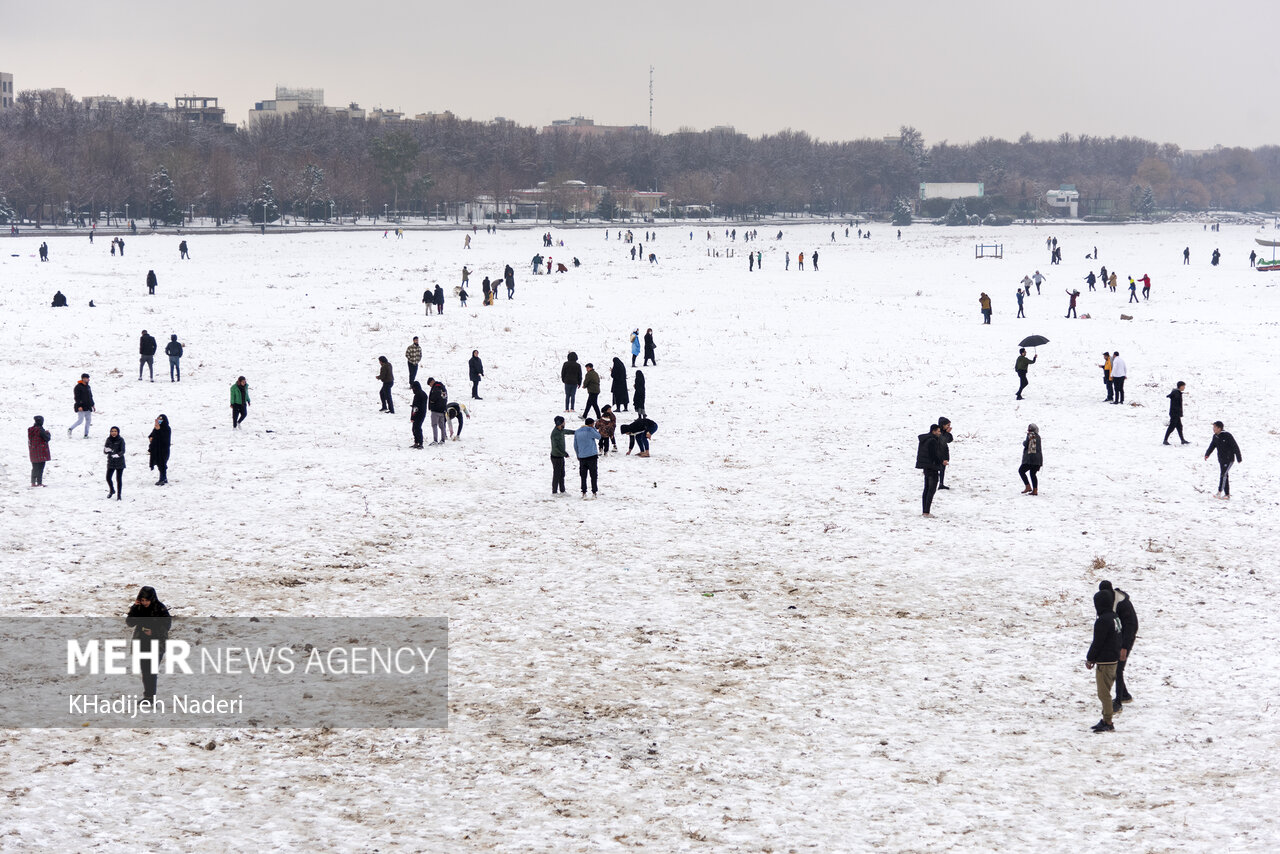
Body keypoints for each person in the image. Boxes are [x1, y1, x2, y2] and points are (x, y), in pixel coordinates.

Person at [1085, 587, 1122, 732]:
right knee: (1106, 691)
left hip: (1105, 662)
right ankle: (1106, 720)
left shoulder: (1102, 621)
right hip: (1114, 660)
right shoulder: (1115, 617)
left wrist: (1090, 658)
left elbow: (1097, 642)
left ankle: (1108, 721)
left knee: (1103, 693)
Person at [125, 586, 171, 701]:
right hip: (142, 643)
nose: (144, 603)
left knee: (151, 671)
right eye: (142, 600)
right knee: (145, 671)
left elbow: (166, 626)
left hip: (157, 644)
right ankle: (148, 696)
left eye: (146, 600)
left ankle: (151, 697)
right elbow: (130, 622)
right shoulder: (139, 608)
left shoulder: (160, 609)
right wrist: (135, 607)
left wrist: (153, 632)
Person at [1099, 581, 1138, 711]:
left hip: (1127, 635)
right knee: (1117, 666)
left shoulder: (1122, 603)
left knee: (1118, 667)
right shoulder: (1109, 599)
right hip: (1119, 635)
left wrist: (1124, 647)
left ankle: (1119, 701)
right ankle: (1125, 695)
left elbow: (1130, 627)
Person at [1204, 421, 1242, 499]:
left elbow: (1235, 446)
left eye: (1215, 427)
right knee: (1225, 475)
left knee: (1223, 475)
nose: (1213, 429)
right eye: (1213, 427)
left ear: (1219, 428)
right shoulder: (1215, 436)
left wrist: (1239, 457)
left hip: (1229, 459)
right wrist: (1207, 454)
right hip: (1221, 459)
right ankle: (1227, 494)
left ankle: (1219, 492)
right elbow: (1212, 446)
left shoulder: (1227, 435)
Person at [915, 423, 946, 517]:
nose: (940, 433)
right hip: (932, 468)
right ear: (934, 431)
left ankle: (924, 511)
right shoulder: (932, 441)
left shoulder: (924, 440)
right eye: (939, 431)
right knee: (931, 490)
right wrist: (941, 462)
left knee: (926, 489)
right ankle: (926, 512)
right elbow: (934, 455)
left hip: (926, 467)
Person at [574, 418, 602, 498]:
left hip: (582, 456)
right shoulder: (590, 430)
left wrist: (578, 454)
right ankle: (594, 491)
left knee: (583, 475)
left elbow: (575, 445)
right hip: (592, 455)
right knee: (593, 475)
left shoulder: (577, 431)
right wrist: (594, 429)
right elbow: (599, 437)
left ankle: (583, 491)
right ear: (591, 424)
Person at [549, 416, 576, 494]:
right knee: (557, 474)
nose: (565, 423)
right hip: (556, 457)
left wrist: (576, 432)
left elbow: (566, 431)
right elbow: (556, 447)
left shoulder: (561, 430)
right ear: (560, 423)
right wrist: (564, 454)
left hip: (560, 456)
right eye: (563, 422)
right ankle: (554, 491)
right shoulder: (555, 433)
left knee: (562, 474)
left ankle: (562, 490)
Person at [1018, 423, 1043, 495]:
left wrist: (1023, 442)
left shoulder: (1030, 435)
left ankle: (1028, 486)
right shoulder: (1038, 437)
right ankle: (1035, 490)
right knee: (1033, 474)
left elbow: (1026, 444)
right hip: (1038, 459)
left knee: (1021, 471)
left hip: (1030, 459)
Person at [69, 374, 95, 438]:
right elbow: (76, 397)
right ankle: (70, 429)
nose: (88, 379)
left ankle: (86, 435)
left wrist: (93, 405)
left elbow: (90, 396)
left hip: (88, 406)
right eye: (87, 378)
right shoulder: (78, 387)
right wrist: (79, 406)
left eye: (88, 378)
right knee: (80, 420)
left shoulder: (88, 387)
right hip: (81, 407)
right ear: (83, 379)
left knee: (88, 421)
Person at [28, 416, 51, 487]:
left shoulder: (30, 429)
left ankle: (33, 482)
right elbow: (47, 438)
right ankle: (39, 482)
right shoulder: (41, 430)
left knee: (34, 467)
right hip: (41, 451)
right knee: (41, 467)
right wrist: (48, 433)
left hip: (33, 451)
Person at [148, 414, 171, 485]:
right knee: (159, 464)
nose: (159, 421)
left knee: (162, 464)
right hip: (156, 449)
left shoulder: (167, 428)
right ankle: (164, 478)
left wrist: (159, 430)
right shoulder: (156, 428)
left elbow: (164, 438)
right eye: (158, 419)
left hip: (163, 450)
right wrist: (151, 438)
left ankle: (162, 479)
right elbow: (151, 435)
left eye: (161, 419)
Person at [104, 426, 126, 500]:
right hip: (111, 461)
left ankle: (119, 495)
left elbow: (123, 450)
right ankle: (112, 490)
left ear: (118, 432)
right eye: (112, 431)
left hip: (120, 462)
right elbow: (105, 450)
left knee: (118, 479)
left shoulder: (121, 440)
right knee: (108, 477)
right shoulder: (108, 439)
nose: (113, 433)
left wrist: (118, 455)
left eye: (115, 431)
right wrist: (106, 450)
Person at [428, 378, 448, 445]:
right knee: (442, 425)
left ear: (432, 382)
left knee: (434, 425)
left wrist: (431, 403)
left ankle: (435, 440)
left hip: (435, 410)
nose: (430, 386)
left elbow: (433, 399)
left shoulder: (435, 389)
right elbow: (445, 398)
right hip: (442, 410)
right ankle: (443, 439)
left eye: (430, 384)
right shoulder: (443, 388)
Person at [409, 380, 428, 448]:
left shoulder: (417, 395)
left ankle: (419, 443)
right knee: (417, 428)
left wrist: (412, 417)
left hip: (418, 414)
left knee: (416, 428)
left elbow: (416, 407)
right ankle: (417, 442)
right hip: (423, 413)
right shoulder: (424, 394)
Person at [937, 417, 953, 489]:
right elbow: (942, 441)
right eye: (947, 425)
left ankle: (941, 483)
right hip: (938, 453)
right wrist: (947, 433)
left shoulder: (944, 432)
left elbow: (949, 440)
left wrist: (947, 433)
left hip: (944, 453)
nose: (949, 427)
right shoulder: (937, 431)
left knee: (943, 469)